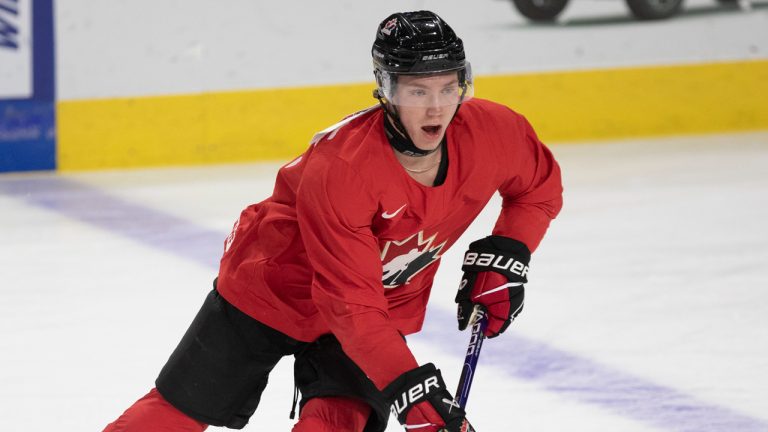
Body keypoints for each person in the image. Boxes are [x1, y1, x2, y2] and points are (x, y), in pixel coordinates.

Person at [104, 10, 563, 432]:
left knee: (338, 423)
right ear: (386, 89)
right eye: (417, 91)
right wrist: (410, 388)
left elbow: (537, 188)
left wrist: (509, 251)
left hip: (375, 312)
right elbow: (349, 303)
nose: (437, 108)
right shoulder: (344, 169)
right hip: (272, 287)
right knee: (177, 412)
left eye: (448, 87)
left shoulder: (495, 132)